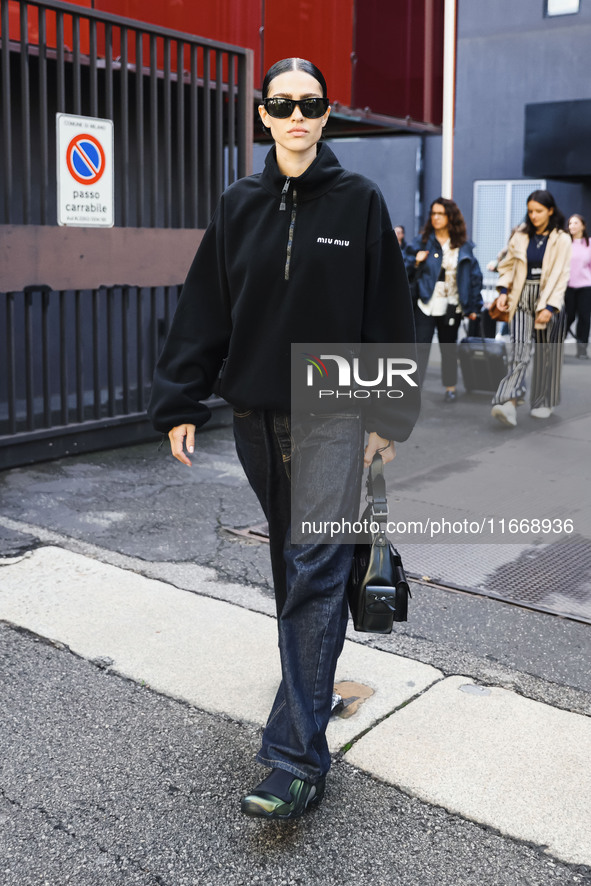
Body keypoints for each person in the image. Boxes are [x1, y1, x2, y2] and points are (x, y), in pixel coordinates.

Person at [148, 58, 420, 820]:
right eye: (282, 104)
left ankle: (295, 759)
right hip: (257, 417)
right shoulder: (238, 205)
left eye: (311, 104)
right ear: (263, 116)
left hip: (334, 412)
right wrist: (180, 400)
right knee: (295, 567)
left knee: (312, 568)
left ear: (326, 114)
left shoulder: (359, 201)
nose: (297, 115)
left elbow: (387, 314)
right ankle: (309, 693)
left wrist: (387, 418)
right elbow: (205, 308)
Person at [490, 190, 570, 427]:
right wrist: (503, 291)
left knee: (548, 355)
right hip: (522, 296)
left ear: (550, 210)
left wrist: (550, 306)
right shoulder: (521, 235)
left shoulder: (561, 238)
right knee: (518, 352)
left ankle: (544, 401)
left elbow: (561, 275)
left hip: (548, 298)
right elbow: (507, 266)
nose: (533, 216)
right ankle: (507, 401)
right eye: (531, 211)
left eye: (539, 211)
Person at [404, 198, 483, 402]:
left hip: (452, 305)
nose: (436, 218)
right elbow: (402, 263)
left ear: (450, 217)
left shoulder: (462, 245)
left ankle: (450, 387)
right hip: (426, 303)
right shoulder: (422, 241)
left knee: (449, 348)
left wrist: (474, 305)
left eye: (441, 214)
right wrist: (415, 260)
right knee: (420, 348)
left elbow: (474, 276)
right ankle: (414, 392)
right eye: (433, 214)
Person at [565, 214, 591, 360]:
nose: (572, 226)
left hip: (585, 287)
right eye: (570, 223)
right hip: (568, 286)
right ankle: (555, 347)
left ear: (583, 226)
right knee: (567, 317)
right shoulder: (565, 243)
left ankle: (582, 350)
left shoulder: (589, 243)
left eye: (575, 223)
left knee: (584, 318)